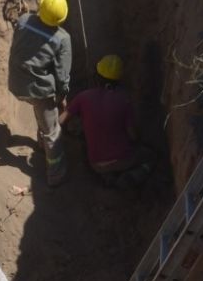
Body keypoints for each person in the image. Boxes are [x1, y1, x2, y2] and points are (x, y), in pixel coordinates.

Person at [8, 0, 72, 186]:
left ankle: (40, 144)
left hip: (16, 83)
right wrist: (62, 95)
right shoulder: (62, 38)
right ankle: (56, 173)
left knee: (40, 109)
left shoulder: (24, 20)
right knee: (53, 132)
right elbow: (62, 75)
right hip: (39, 90)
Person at [60, 55, 153, 188]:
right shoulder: (125, 100)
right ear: (119, 80)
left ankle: (107, 177)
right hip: (123, 159)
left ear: (97, 76)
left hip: (96, 163)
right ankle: (130, 178)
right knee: (150, 157)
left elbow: (61, 120)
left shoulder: (83, 97)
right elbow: (133, 136)